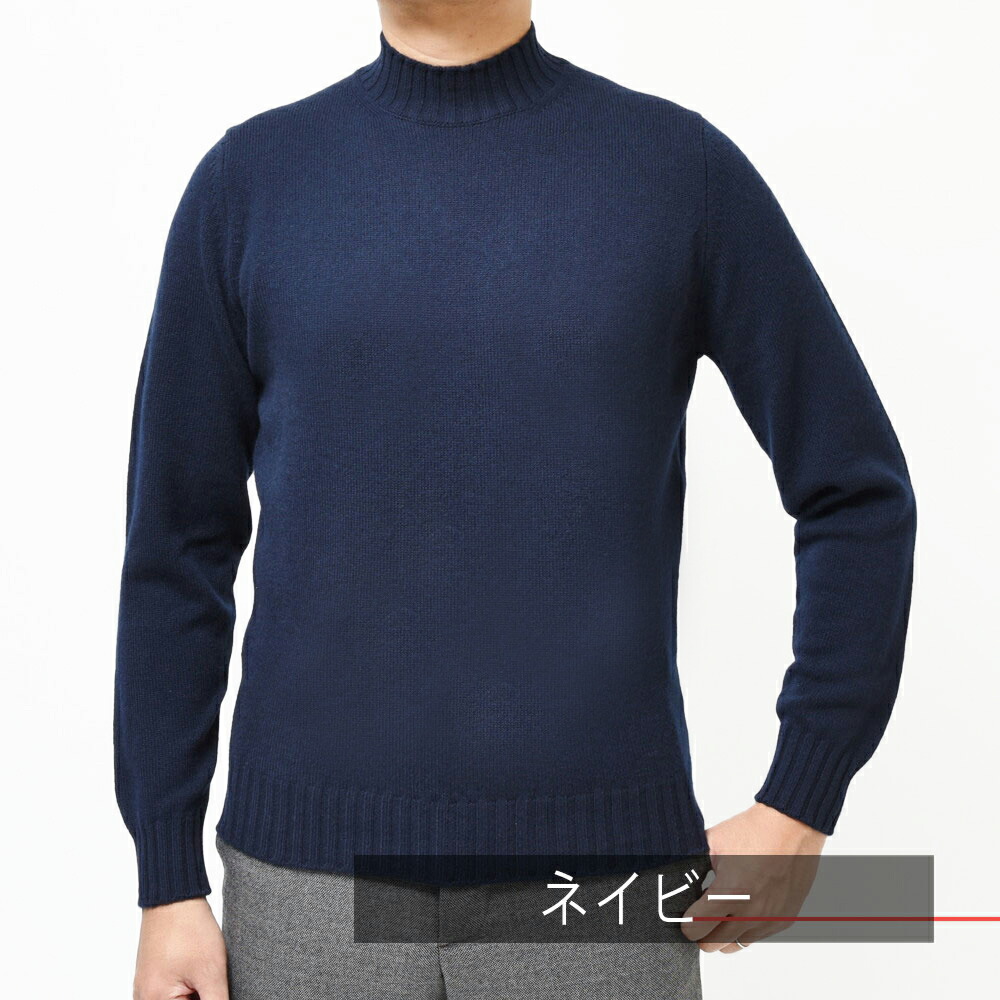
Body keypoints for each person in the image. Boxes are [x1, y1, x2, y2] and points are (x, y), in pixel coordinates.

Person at [114, 2, 917, 998]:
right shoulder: (250, 184)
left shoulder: (676, 174)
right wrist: (166, 878)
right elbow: (176, 547)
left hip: (597, 895)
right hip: (305, 896)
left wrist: (802, 796)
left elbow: (856, 491)